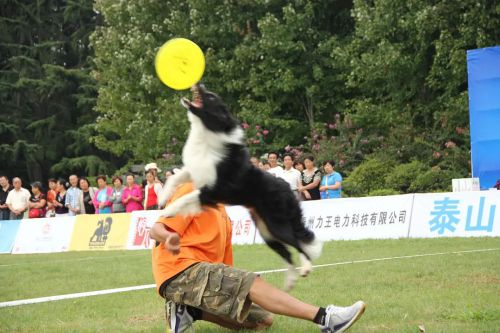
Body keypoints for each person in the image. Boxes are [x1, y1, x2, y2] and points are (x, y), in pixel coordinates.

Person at [150, 182, 366, 333]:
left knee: (262, 320)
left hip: (201, 274)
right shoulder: (192, 190)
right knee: (249, 282)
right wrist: (169, 237)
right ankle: (325, 318)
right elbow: (156, 229)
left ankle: (189, 310)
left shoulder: (222, 214)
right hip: (179, 270)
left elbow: (222, 270)